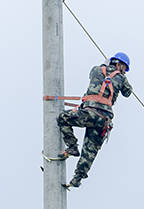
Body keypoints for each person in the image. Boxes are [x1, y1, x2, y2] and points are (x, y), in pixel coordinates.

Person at [57, 52, 133, 189]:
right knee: (90, 151)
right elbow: (128, 93)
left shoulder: (96, 70)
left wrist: (104, 66)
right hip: (104, 120)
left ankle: (72, 146)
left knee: (62, 118)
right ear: (119, 64)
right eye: (124, 68)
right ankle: (76, 179)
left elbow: (94, 77)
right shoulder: (121, 78)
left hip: (90, 113)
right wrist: (121, 78)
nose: (124, 71)